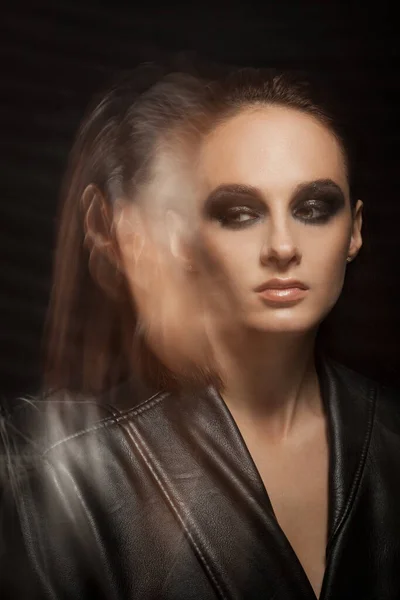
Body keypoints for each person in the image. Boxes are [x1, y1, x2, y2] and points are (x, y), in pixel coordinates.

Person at [1, 64, 399, 600]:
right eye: (240, 213)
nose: (282, 247)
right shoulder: (63, 474)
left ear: (354, 230)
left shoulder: (391, 438)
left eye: (311, 208)